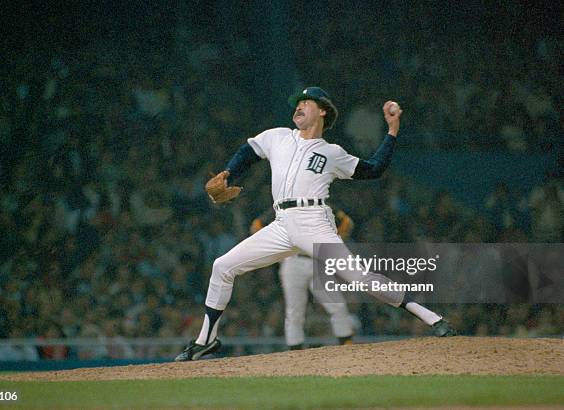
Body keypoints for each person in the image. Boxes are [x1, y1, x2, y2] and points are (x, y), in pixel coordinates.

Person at [176, 87, 455, 361]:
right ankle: (206, 340)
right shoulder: (279, 137)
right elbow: (247, 152)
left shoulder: (331, 152)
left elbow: (374, 168)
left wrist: (392, 130)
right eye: (297, 103)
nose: (298, 106)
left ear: (322, 110)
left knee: (359, 278)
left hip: (314, 223)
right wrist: (229, 173)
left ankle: (431, 317)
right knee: (222, 266)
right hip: (281, 224)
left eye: (306, 102)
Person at [250, 207, 355, 349]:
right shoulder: (286, 205)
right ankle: (295, 351)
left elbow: (347, 222)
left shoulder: (320, 203)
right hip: (293, 261)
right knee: (295, 311)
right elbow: (256, 225)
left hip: (317, 260)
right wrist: (276, 247)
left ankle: (346, 343)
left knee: (336, 303)